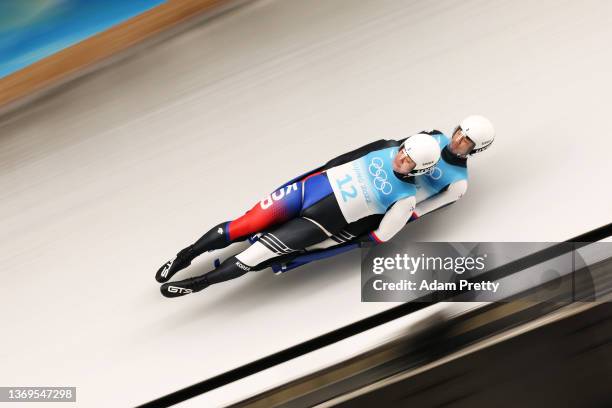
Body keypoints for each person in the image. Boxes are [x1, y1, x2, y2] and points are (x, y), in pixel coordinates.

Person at [155, 133, 442, 297]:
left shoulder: (405, 200)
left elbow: (378, 236)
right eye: (403, 151)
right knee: (243, 225)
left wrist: (326, 248)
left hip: (317, 225)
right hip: (303, 193)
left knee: (253, 256)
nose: (401, 158)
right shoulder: (384, 148)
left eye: (408, 160)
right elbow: (337, 161)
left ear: (419, 169)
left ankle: (198, 283)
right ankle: (185, 256)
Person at [261, 114, 496, 274]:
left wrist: (383, 228)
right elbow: (396, 150)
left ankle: (285, 258)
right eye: (458, 132)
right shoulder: (432, 136)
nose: (457, 140)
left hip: (381, 207)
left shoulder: (458, 184)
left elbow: (419, 211)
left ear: (476, 149)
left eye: (466, 141)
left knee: (324, 243)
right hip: (365, 181)